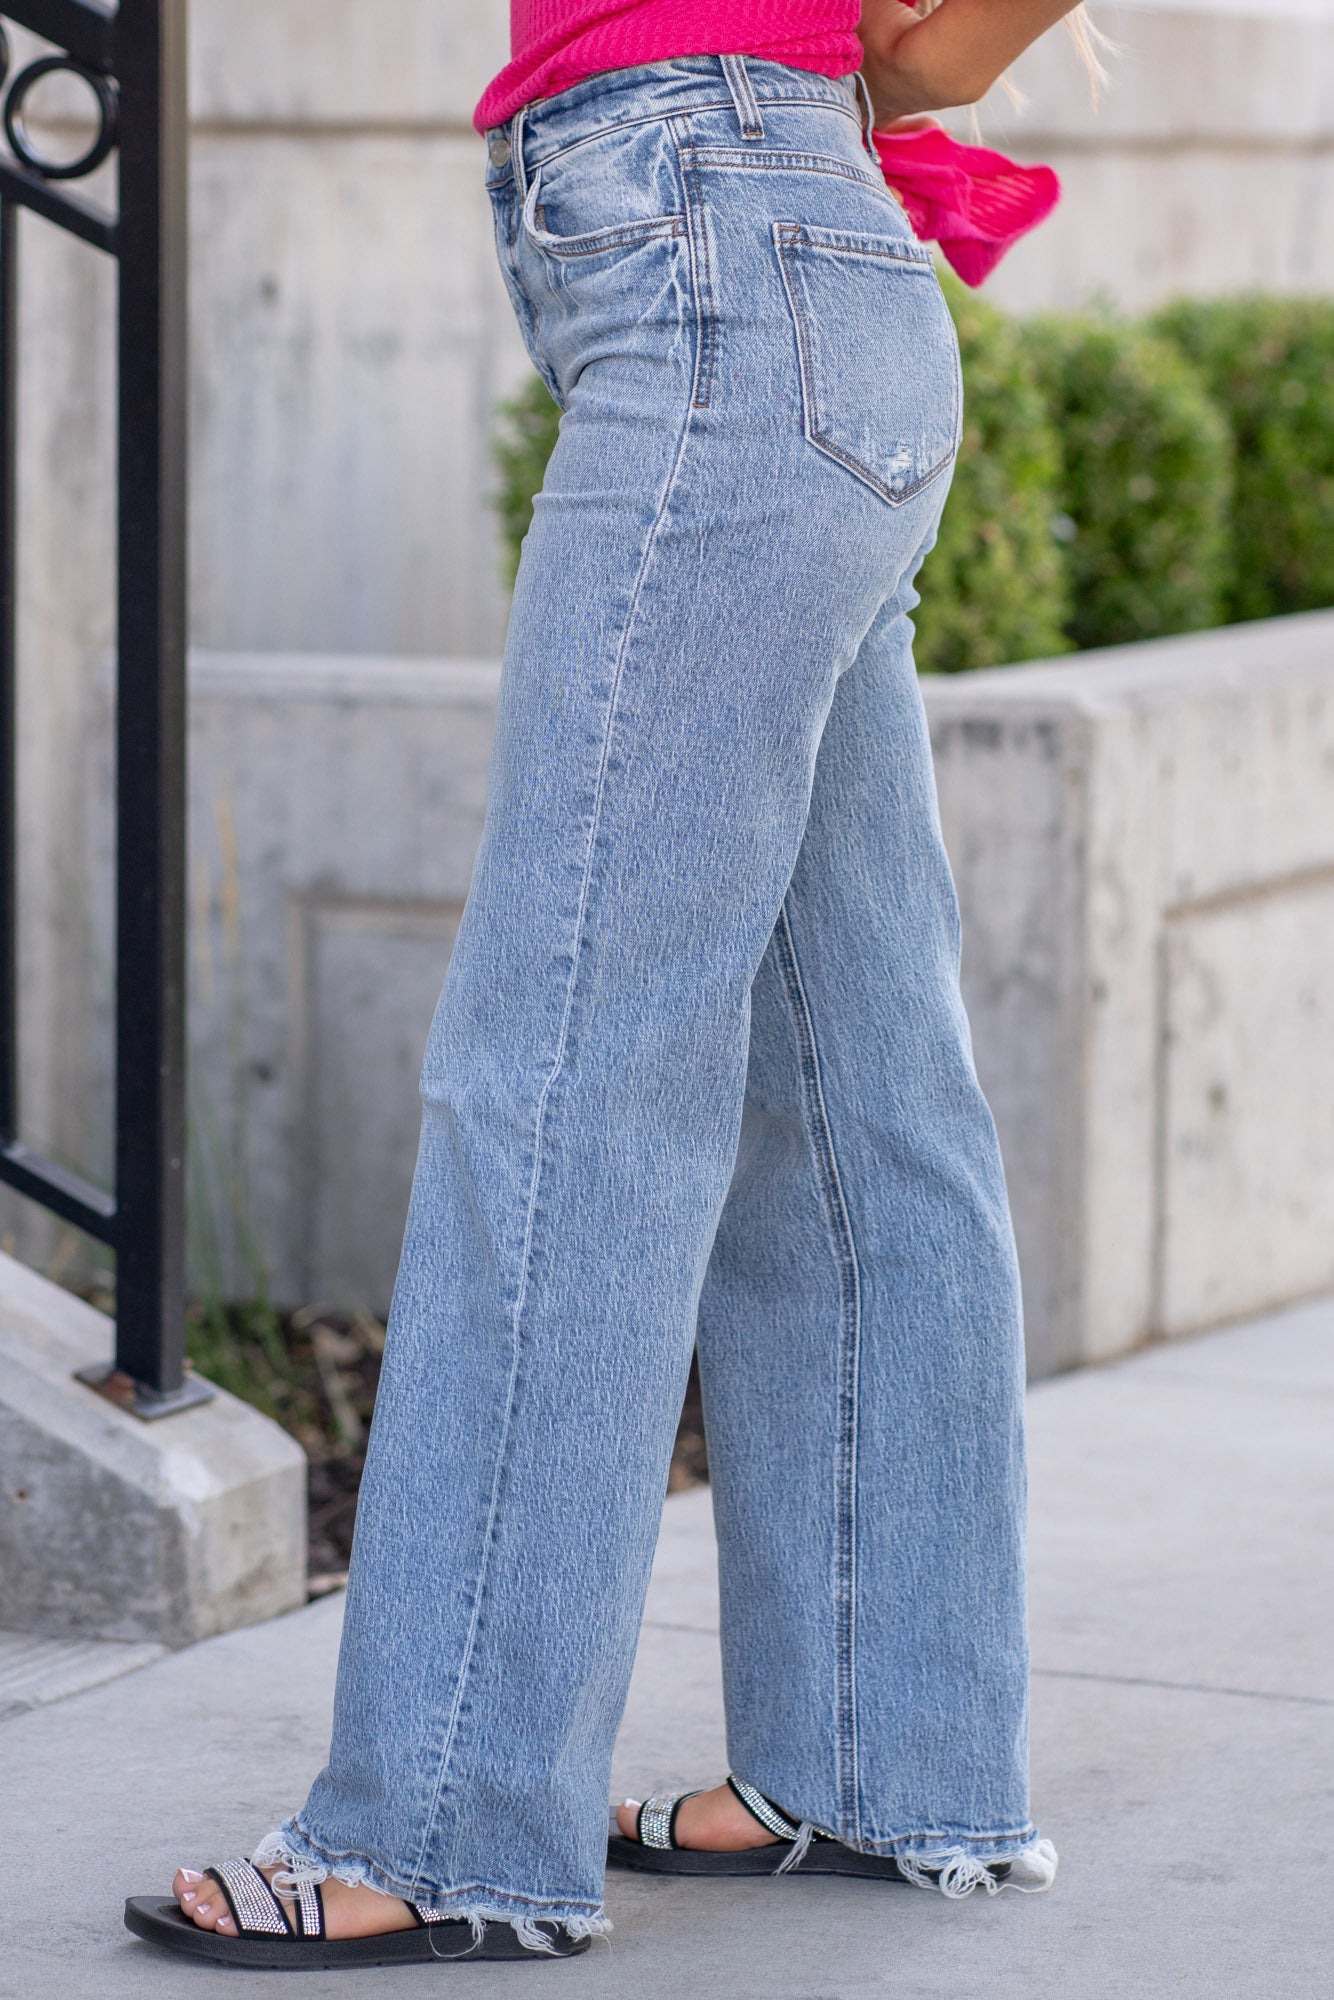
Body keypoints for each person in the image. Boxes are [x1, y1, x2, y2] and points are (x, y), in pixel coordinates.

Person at [127, 0, 1099, 1970]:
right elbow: (895, 56)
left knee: (566, 1069)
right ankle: (879, 1761)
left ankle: (439, 1822)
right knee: (854, 1088)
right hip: (760, 271)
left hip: (720, 274)